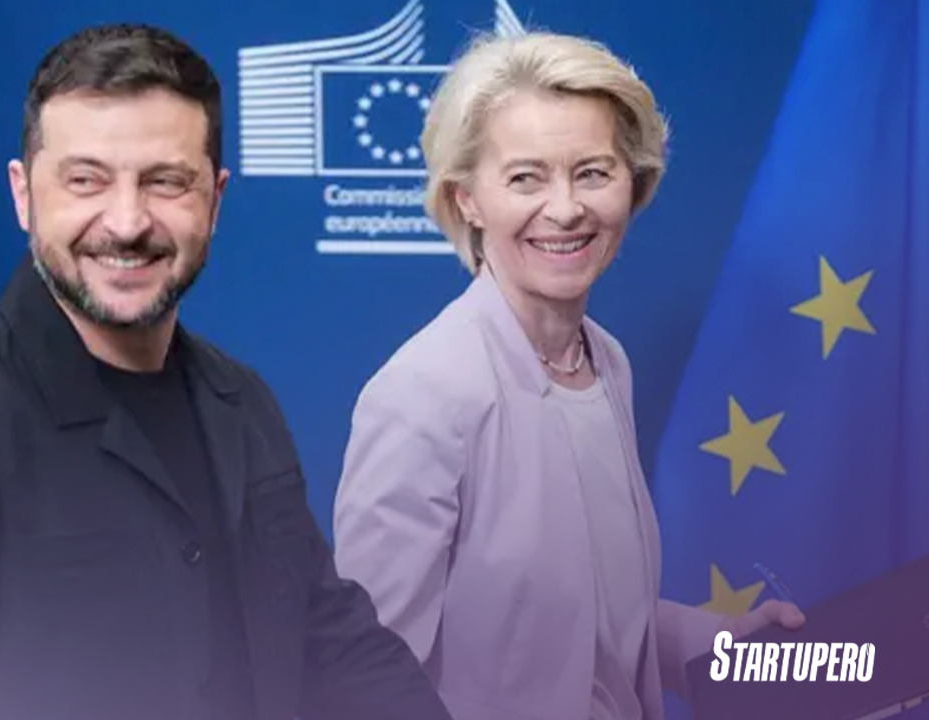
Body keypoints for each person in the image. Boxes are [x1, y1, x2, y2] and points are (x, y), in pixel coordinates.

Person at [0, 23, 453, 720]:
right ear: (23, 194)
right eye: (85, 180)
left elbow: (329, 643)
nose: (126, 221)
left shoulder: (241, 403)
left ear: (215, 199)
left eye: (165, 182)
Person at [330, 31, 805, 720]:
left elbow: (576, 627)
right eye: (525, 177)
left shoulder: (604, 361)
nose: (565, 208)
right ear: (467, 199)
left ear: (633, 183)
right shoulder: (423, 394)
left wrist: (723, 643)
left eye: (592, 172)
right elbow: (368, 680)